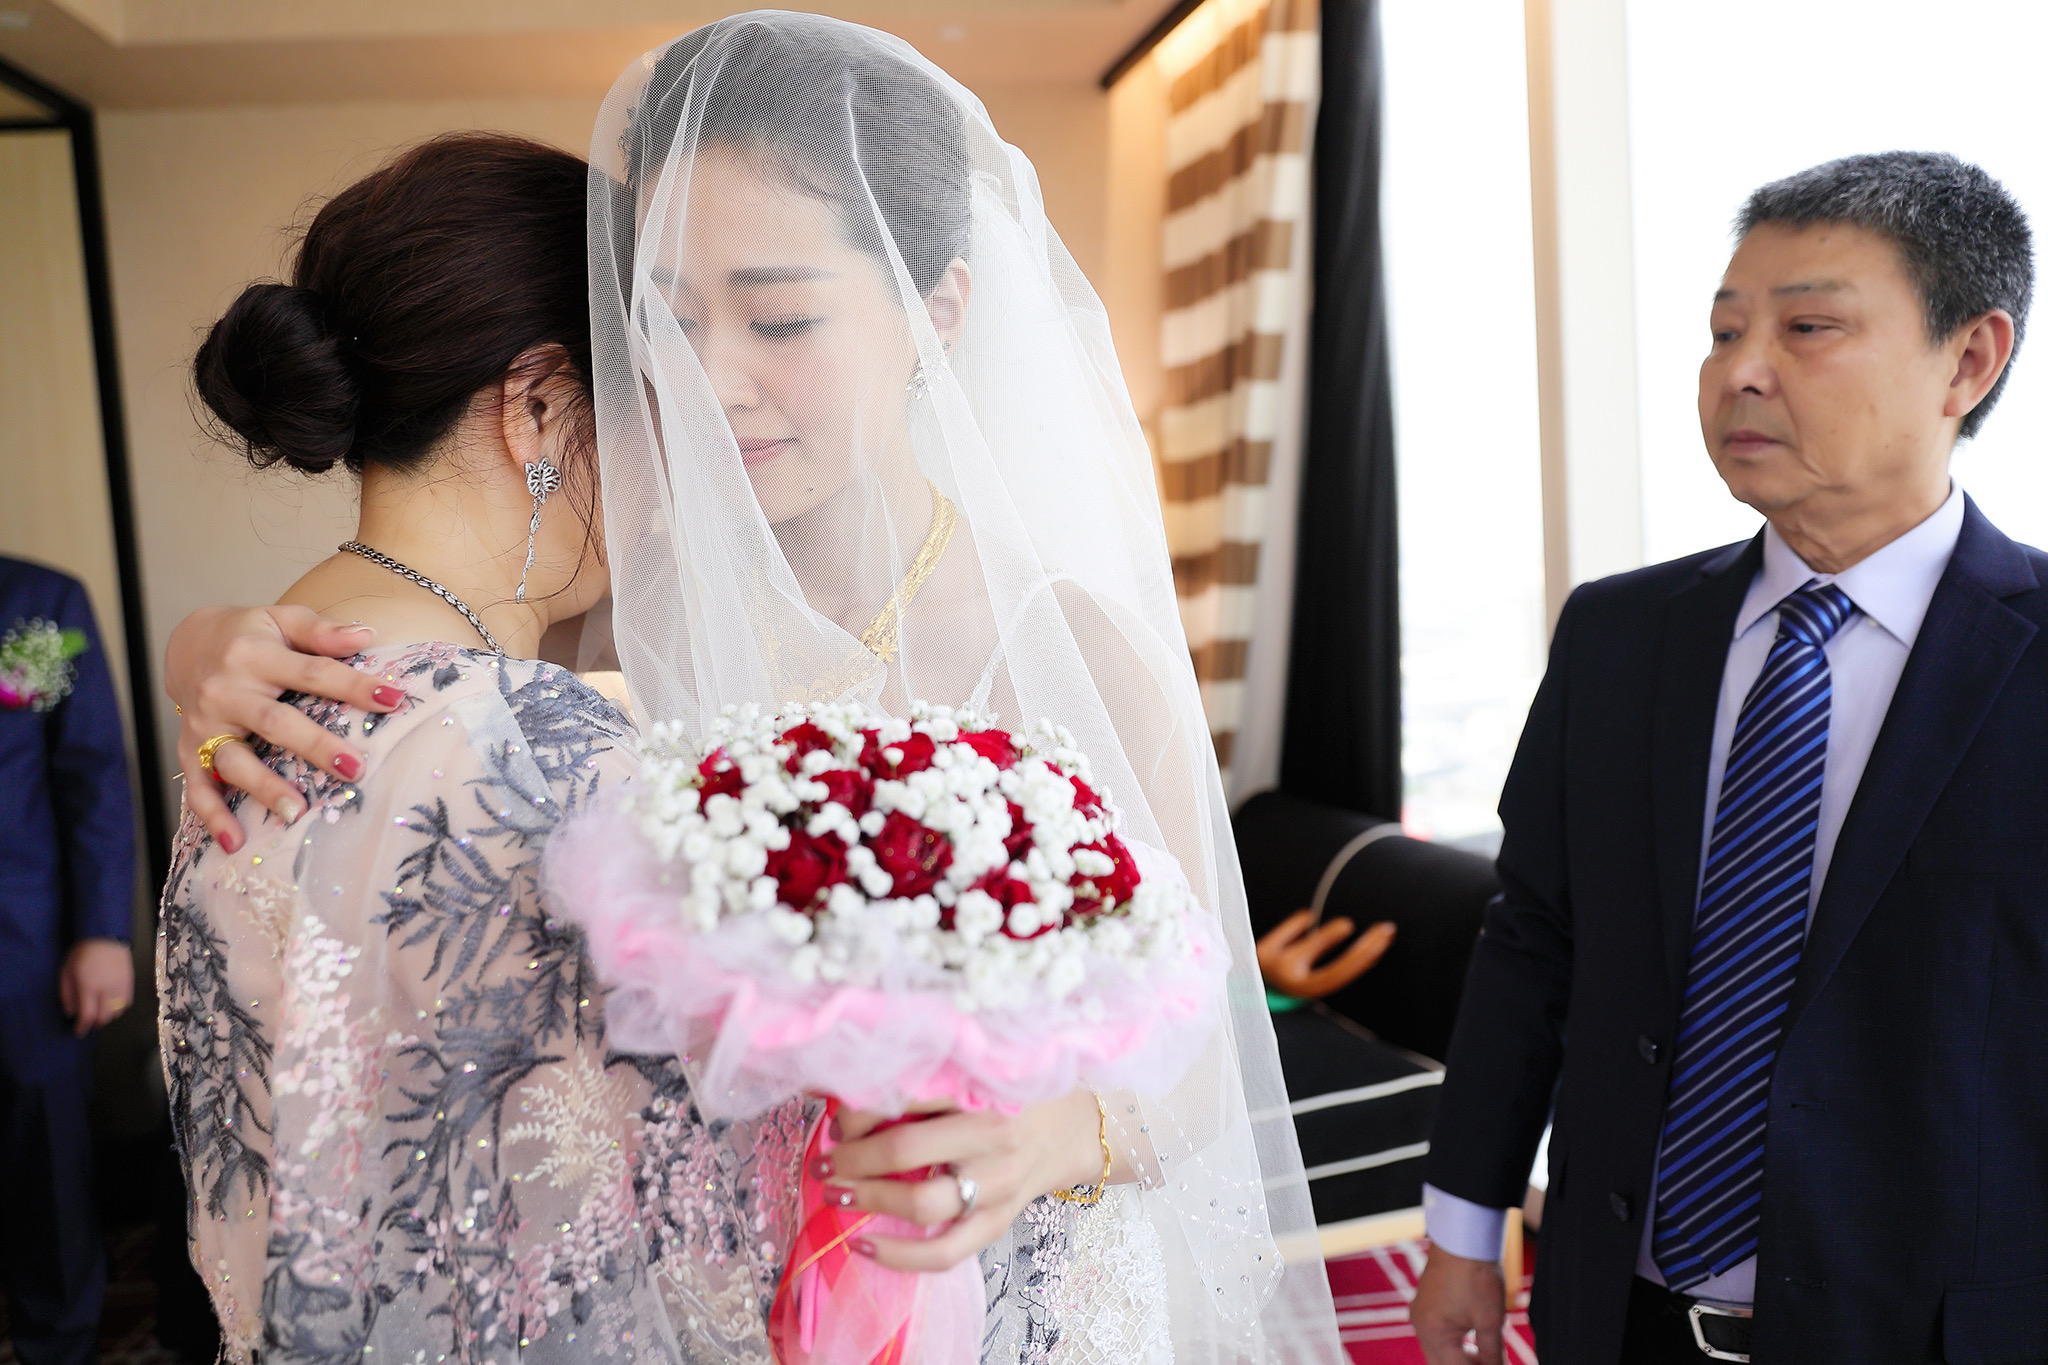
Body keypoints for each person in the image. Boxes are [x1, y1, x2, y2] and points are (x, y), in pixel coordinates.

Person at [163, 16, 1346, 1363]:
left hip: (1027, 1293)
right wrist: (209, 645)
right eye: (667, 322)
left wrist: (1057, 1135)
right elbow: (422, 682)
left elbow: (1204, 1053)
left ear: (936, 311)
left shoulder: (1075, 651)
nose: (710, 380)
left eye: (779, 318)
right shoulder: (613, 612)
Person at [1410, 151, 2045, 1364]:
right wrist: (1459, 1230)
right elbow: (1531, 939)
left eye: (1805, 328)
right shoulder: (1618, 632)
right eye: (1720, 332)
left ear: (1967, 359)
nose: (1738, 372)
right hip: (1612, 1316)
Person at [0, 556, 135, 1365]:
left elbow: (87, 771)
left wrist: (103, 931)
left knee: (45, 1170)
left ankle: (60, 1346)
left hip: (21, 943)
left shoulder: (30, 608)